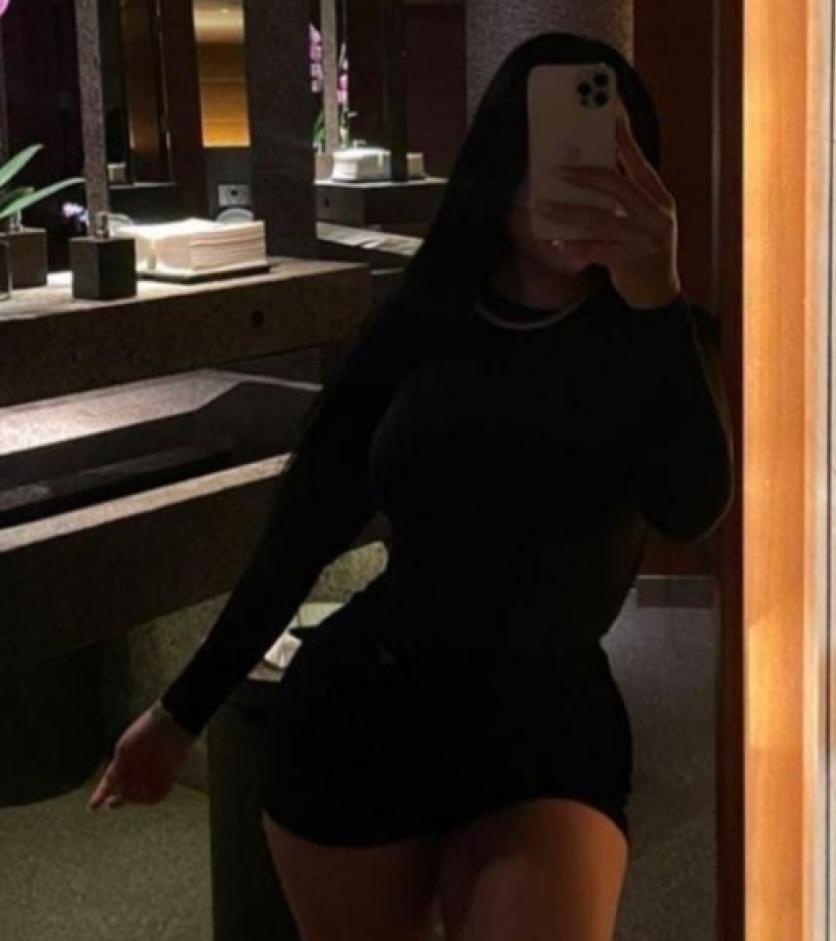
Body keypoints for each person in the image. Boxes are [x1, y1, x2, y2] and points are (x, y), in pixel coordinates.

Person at [88, 30, 734, 941]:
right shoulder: (422, 321)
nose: (581, 178)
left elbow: (690, 507)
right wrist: (180, 710)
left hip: (548, 730)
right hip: (365, 715)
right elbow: (308, 521)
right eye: (555, 152)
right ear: (500, 164)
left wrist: (655, 296)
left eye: (610, 159)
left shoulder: (660, 337)